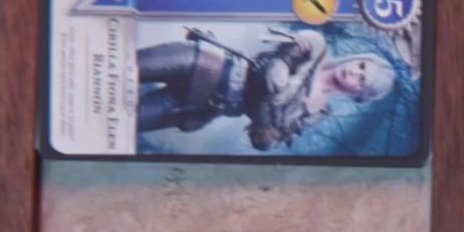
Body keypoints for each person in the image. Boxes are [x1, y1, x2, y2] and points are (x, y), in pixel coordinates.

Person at [136, 26, 396, 151]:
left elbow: (264, 142)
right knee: (124, 67)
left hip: (196, 106)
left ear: (359, 95)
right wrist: (268, 108)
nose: (354, 72)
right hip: (202, 63)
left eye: (362, 80)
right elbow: (274, 68)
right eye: (361, 66)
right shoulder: (315, 47)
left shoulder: (316, 112)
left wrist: (264, 112)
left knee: (127, 120)